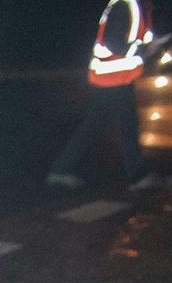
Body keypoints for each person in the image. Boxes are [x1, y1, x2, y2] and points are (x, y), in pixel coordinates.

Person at [48, 0, 162, 192]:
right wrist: (144, 51)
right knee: (128, 127)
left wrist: (146, 48)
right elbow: (113, 42)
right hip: (115, 78)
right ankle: (137, 177)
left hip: (114, 77)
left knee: (93, 126)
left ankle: (60, 170)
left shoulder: (132, 6)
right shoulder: (127, 6)